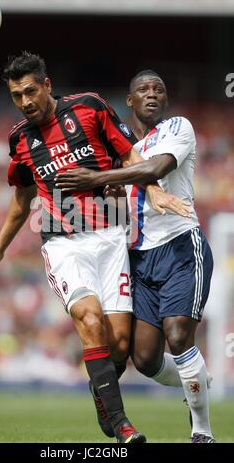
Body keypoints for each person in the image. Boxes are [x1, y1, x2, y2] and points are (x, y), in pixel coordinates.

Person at [0, 54, 189, 443]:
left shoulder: (90, 107)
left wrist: (155, 190)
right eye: (15, 96)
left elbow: (129, 154)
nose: (25, 102)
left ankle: (102, 391)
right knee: (89, 321)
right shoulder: (19, 139)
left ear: (47, 84)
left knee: (120, 347)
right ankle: (123, 426)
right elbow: (22, 200)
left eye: (29, 91)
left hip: (111, 238)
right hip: (63, 243)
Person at [55, 70, 215, 443]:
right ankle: (197, 379)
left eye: (159, 89)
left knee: (178, 336)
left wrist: (99, 178)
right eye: (143, 90)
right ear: (129, 101)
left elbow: (157, 169)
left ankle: (201, 431)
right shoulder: (117, 148)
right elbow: (116, 197)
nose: (152, 94)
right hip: (138, 258)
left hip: (179, 245)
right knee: (143, 359)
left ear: (166, 99)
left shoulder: (178, 128)